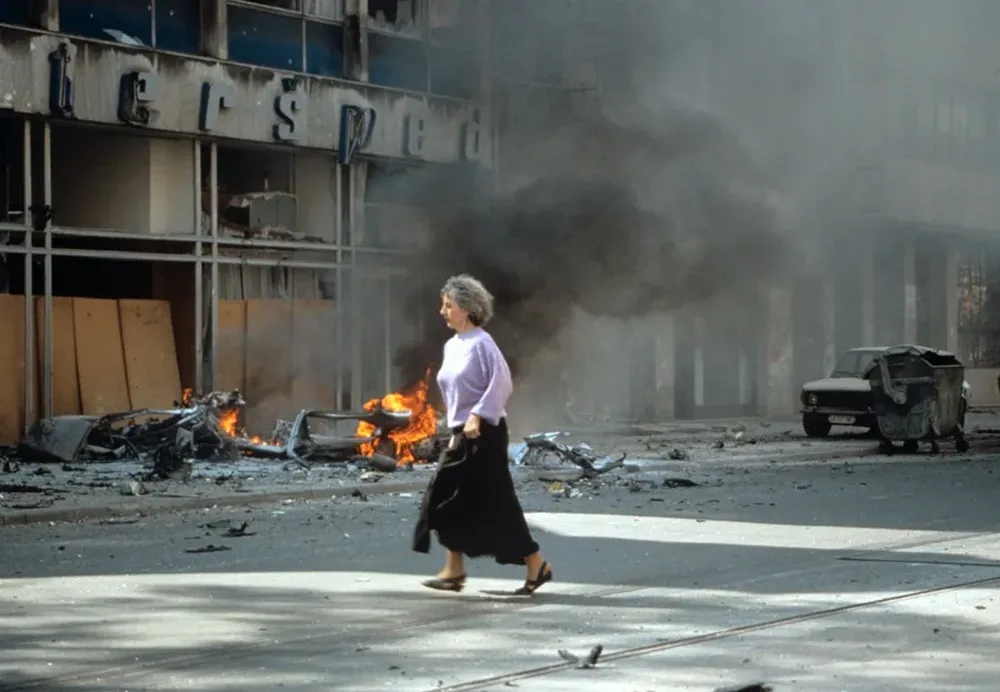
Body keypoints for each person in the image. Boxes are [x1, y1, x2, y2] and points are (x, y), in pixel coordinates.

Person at [412, 274, 553, 595]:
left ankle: (536, 563)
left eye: (448, 306)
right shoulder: (452, 346)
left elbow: (502, 383)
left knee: (496, 501)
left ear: (466, 308)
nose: (442, 311)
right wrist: (454, 429)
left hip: (486, 433)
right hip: (463, 433)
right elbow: (453, 393)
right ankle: (454, 569)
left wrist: (477, 415)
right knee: (445, 497)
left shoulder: (483, 344)